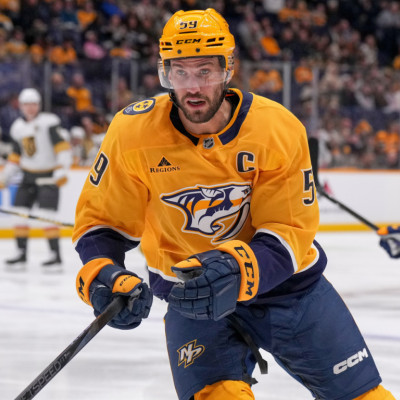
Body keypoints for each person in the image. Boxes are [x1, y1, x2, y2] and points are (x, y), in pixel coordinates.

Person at [72, 9, 396, 400]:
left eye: (205, 71)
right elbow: (103, 221)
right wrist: (103, 273)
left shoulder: (276, 128)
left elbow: (288, 230)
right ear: (165, 73)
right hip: (191, 297)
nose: (193, 87)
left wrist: (234, 268)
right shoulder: (132, 132)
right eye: (180, 72)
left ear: (227, 69)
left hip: (289, 291)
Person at [0, 88, 72, 268]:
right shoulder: (17, 127)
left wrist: (61, 170)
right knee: (19, 214)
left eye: (33, 104)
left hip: (48, 175)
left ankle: (55, 255)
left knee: (47, 216)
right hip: (28, 176)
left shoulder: (49, 122)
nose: (30, 108)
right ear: (21, 106)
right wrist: (5, 177)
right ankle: (21, 253)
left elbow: (62, 148)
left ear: (39, 105)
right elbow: (16, 156)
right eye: (26, 104)